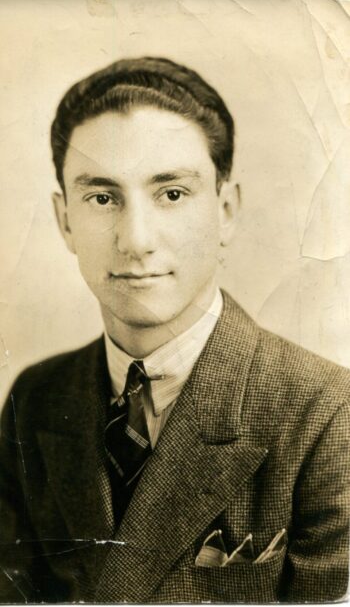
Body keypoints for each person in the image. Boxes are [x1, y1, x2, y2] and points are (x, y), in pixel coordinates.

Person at [0, 56, 349, 604]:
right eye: (102, 197)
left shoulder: (326, 412)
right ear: (65, 219)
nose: (136, 240)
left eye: (172, 194)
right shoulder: (38, 397)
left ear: (226, 210)